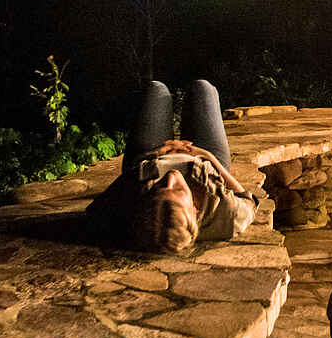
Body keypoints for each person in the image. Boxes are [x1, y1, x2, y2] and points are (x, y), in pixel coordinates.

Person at [87, 79, 259, 253]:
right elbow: (248, 200)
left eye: (158, 187)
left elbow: (96, 211)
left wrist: (157, 152)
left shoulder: (135, 207)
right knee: (202, 88)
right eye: (178, 190)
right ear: (195, 210)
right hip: (206, 159)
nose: (171, 177)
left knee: (156, 88)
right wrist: (207, 156)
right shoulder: (227, 215)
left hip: (152, 154)